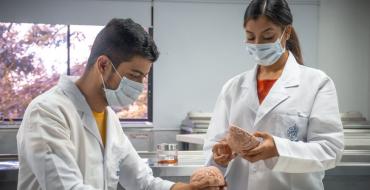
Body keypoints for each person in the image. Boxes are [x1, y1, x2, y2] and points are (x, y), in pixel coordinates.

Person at [17, 18, 221, 190]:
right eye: (134, 75)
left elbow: (142, 181)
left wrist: (185, 188)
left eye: (143, 77)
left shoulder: (109, 119)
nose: (139, 86)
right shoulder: (47, 112)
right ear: (103, 65)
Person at [203, 0, 344, 189]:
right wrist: (219, 156)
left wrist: (278, 149)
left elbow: (330, 151)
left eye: (268, 36)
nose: (258, 44)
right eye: (251, 37)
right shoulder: (233, 87)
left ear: (286, 32)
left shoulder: (317, 83)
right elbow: (213, 145)